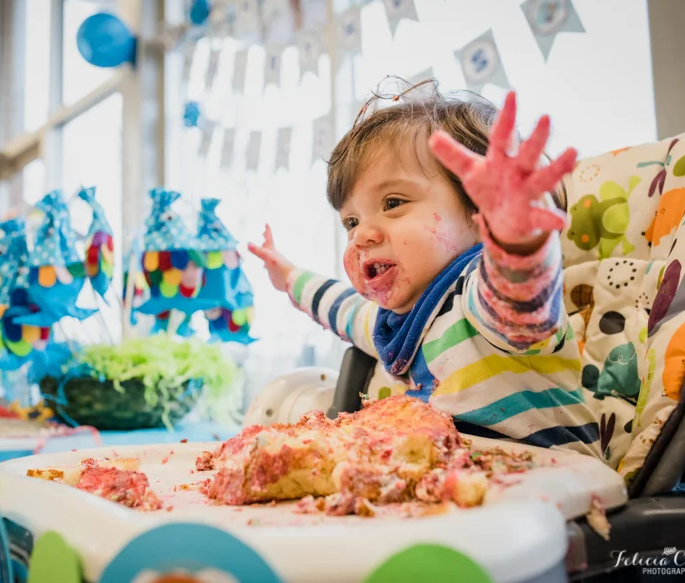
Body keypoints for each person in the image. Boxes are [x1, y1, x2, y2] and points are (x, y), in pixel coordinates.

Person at [249, 80, 602, 459]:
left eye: (393, 203)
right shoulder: (391, 322)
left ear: (477, 213)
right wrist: (288, 277)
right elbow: (340, 305)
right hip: (458, 482)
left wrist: (514, 234)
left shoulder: (482, 298)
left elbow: (520, 290)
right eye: (351, 222)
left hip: (552, 479)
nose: (362, 235)